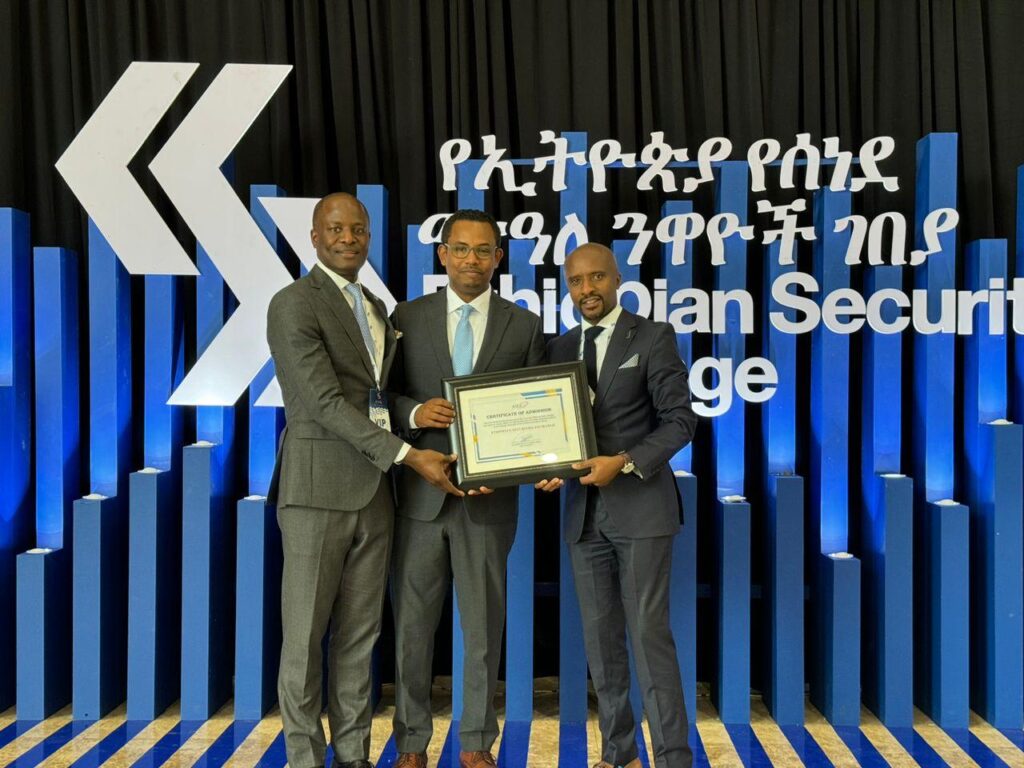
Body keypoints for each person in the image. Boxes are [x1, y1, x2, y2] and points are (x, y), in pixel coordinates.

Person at [266, 192, 462, 768]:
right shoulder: (293, 304)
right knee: (305, 638)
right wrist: (407, 454)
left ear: (369, 237)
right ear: (314, 237)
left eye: (357, 229)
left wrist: (412, 416)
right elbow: (323, 402)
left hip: (376, 492)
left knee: (359, 635)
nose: (347, 238)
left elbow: (376, 396)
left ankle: (352, 753)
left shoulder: (376, 306)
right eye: (335, 229)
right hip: (316, 492)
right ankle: (305, 757)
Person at [388, 209, 545, 768]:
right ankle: (411, 743)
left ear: (498, 258)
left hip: (489, 502)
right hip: (419, 500)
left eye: (483, 250)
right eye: (461, 249)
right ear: (443, 254)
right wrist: (413, 412)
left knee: (482, 629)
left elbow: (535, 413)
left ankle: (477, 742)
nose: (471, 260)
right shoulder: (405, 317)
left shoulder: (524, 325)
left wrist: (507, 469)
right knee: (412, 628)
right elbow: (382, 396)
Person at [538, 243, 697, 768]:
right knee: (602, 645)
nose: (587, 289)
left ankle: (673, 759)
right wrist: (547, 465)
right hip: (583, 516)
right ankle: (618, 754)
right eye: (576, 281)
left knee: (649, 639)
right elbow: (555, 430)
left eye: (597, 277)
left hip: (642, 509)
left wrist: (624, 461)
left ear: (617, 279)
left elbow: (681, 421)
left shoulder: (652, 336)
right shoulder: (560, 348)